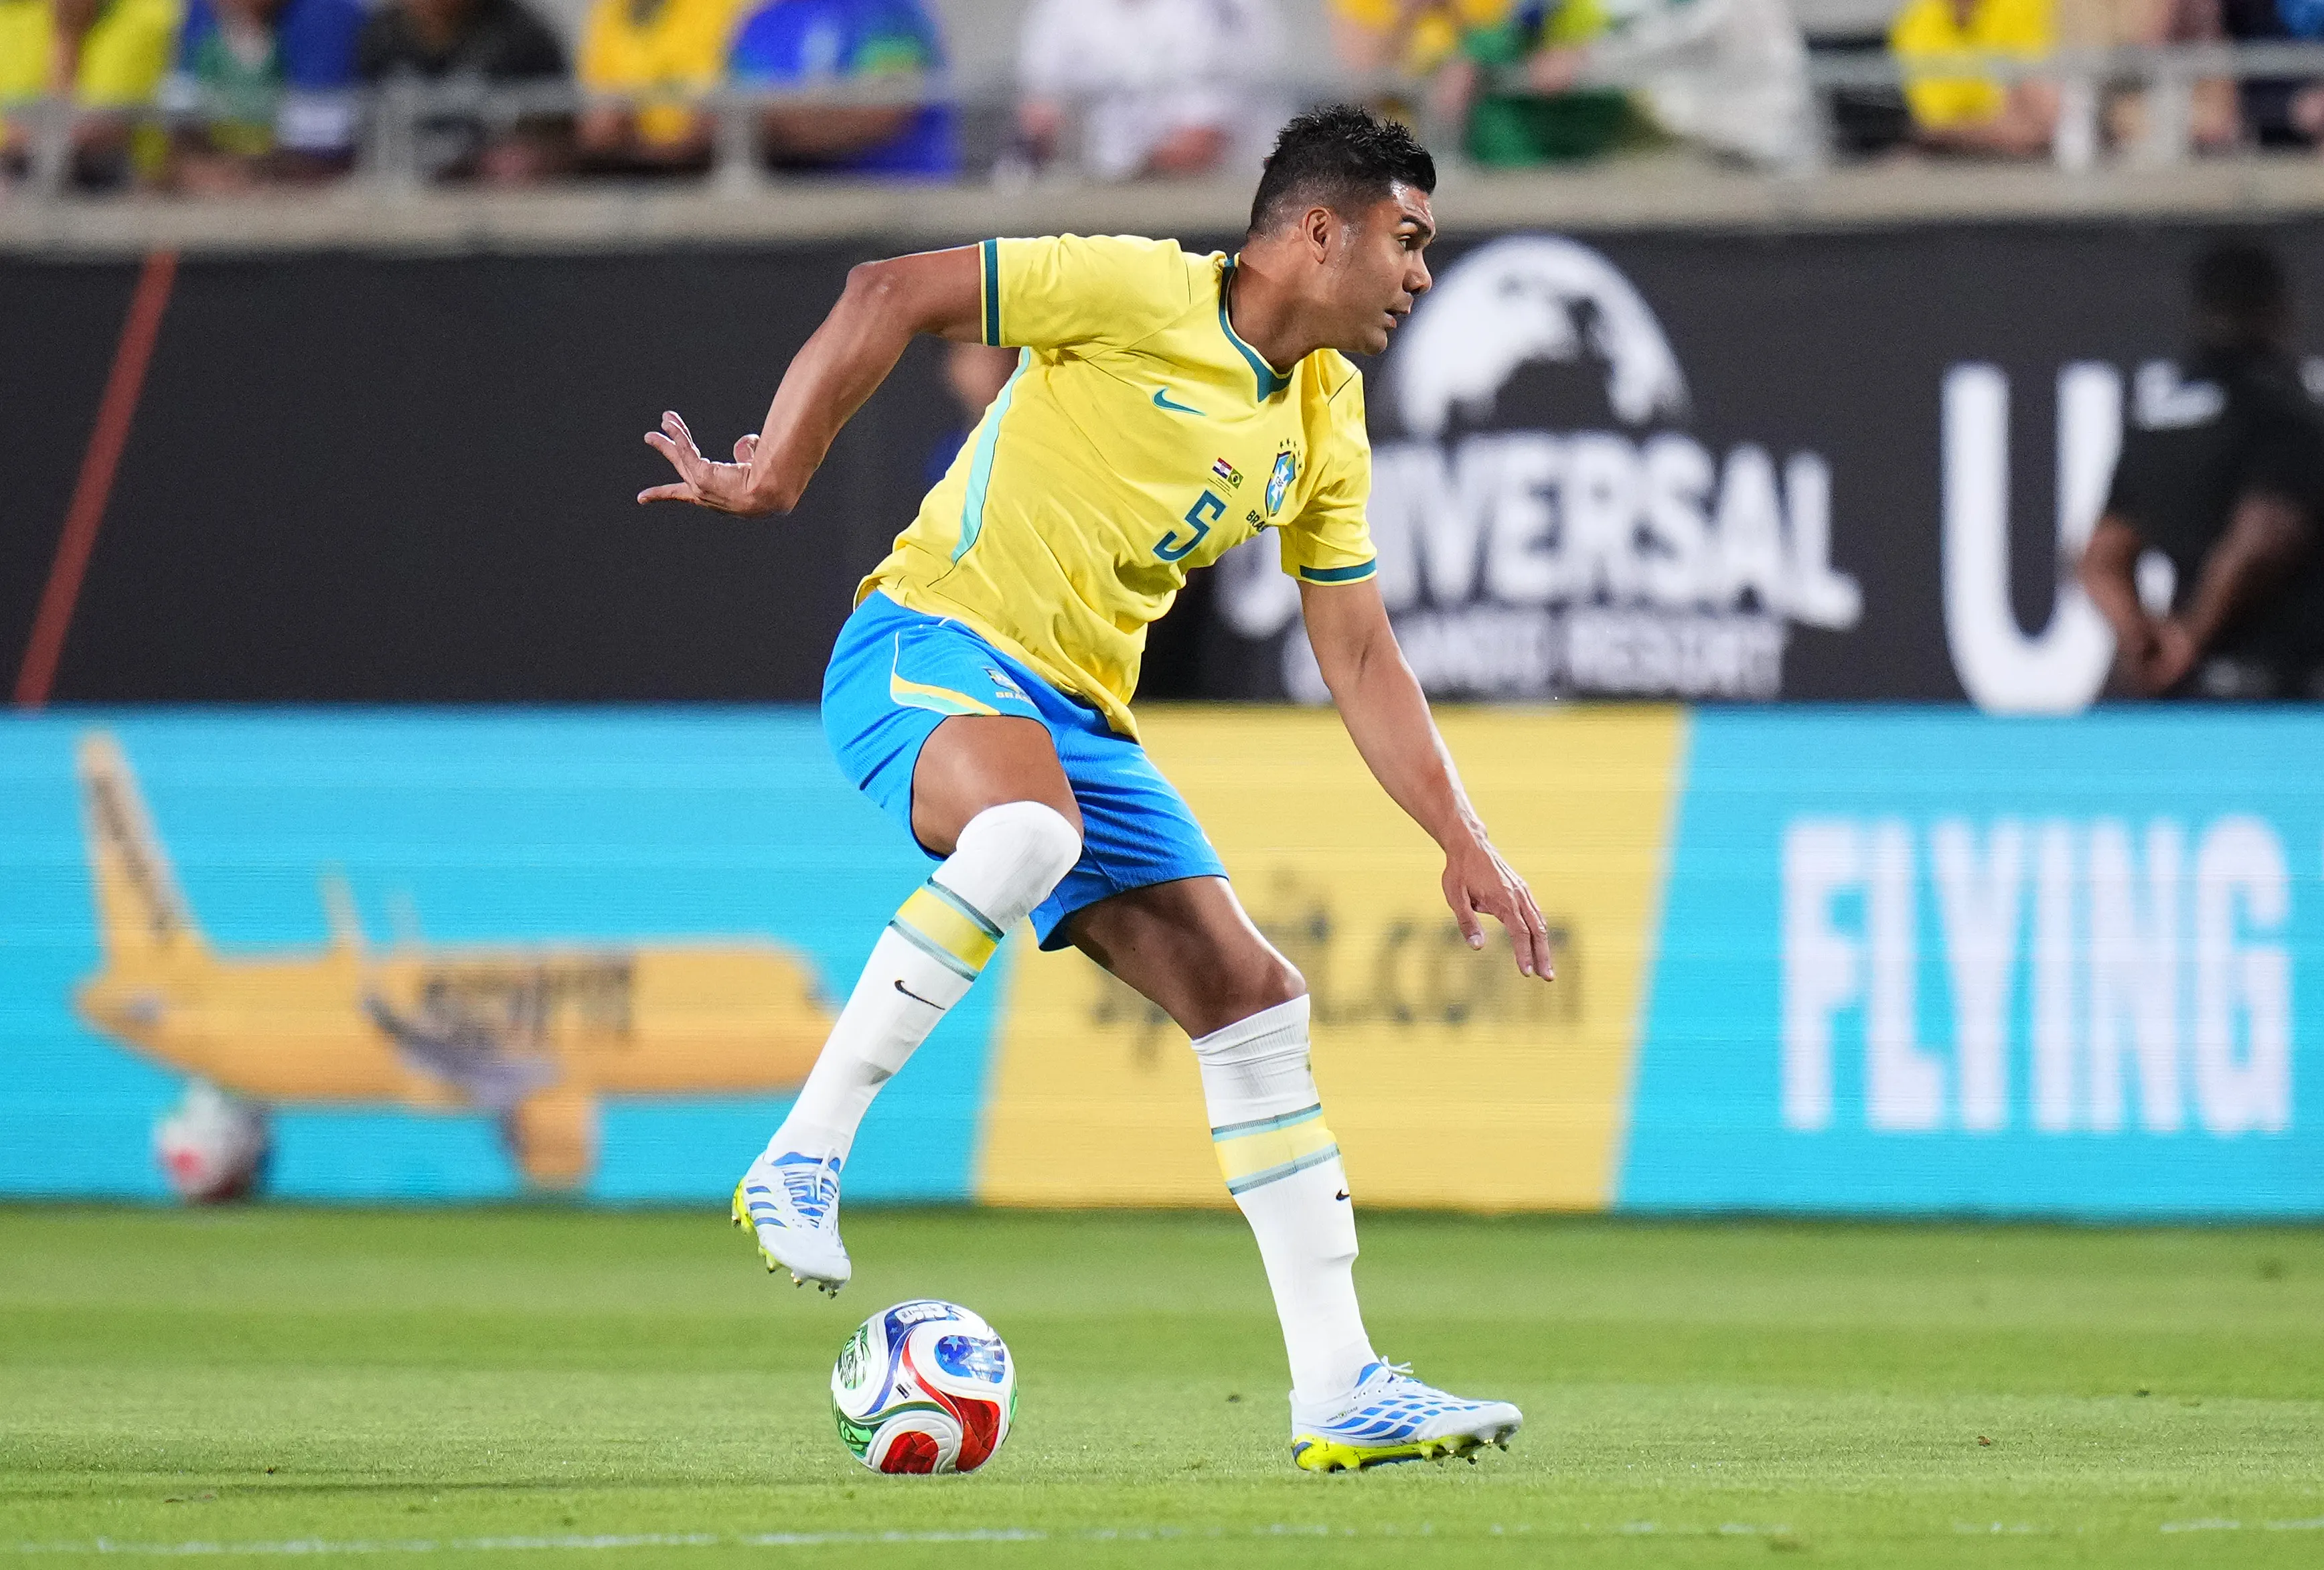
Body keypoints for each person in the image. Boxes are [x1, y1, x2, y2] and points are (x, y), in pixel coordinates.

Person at [637, 104, 1546, 1472]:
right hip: (929, 643)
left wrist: (1458, 831)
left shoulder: (1324, 414)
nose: (1421, 275)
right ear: (1316, 230)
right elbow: (889, 292)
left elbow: (1355, 647)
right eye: (1407, 242)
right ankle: (803, 1150)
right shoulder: (1136, 288)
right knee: (1022, 827)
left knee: (1251, 1000)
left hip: (1077, 717)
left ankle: (1340, 1384)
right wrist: (775, 471)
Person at [2080, 242, 2324, 699]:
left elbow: (2100, 556)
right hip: (2284, 691)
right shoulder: (2286, 413)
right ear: (2280, 312)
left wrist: (2142, 639)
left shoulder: (2157, 420)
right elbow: (2262, 539)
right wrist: (2192, 635)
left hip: (2187, 696)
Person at [1014, 0, 1285, 181]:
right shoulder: (1060, 9)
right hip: (1087, 201)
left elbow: (1203, 141)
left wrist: (1119, 185)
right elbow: (1037, 117)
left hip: (1199, 208)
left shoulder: (1218, 9)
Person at [726, 0, 953, 177]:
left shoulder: (894, 15)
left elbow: (884, 111)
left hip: (898, 208)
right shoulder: (764, 23)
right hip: (785, 214)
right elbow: (736, 114)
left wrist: (771, 127)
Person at [355, 0, 570, 184]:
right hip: (406, 188)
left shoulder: (522, 36)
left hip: (493, 196)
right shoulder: (380, 37)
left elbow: (558, 134)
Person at [163, 0, 365, 191]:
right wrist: (198, 171)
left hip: (307, 194)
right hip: (226, 185)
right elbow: (180, 134)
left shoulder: (324, 14)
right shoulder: (203, 11)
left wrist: (241, 175)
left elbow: (317, 157)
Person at [1425, 0, 1640, 167]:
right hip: (1499, 175)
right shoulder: (1492, 40)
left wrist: (1584, 56)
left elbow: (1628, 46)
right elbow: (1451, 89)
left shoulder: (1601, 25)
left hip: (1576, 173)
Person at [1, 0, 182, 189]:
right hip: (21, 169)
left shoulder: (149, 18)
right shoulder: (16, 17)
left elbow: (102, 128)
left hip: (113, 177)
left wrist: (69, 39)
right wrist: (64, 38)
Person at [574, 0, 748, 174]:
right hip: (627, 160)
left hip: (704, 164)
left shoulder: (722, 7)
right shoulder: (609, 10)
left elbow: (729, 99)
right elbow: (599, 111)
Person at [1890, 0, 2060, 157]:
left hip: (2023, 157)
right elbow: (1935, 121)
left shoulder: (2021, 6)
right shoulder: (1915, 22)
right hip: (1949, 158)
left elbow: (2039, 112)